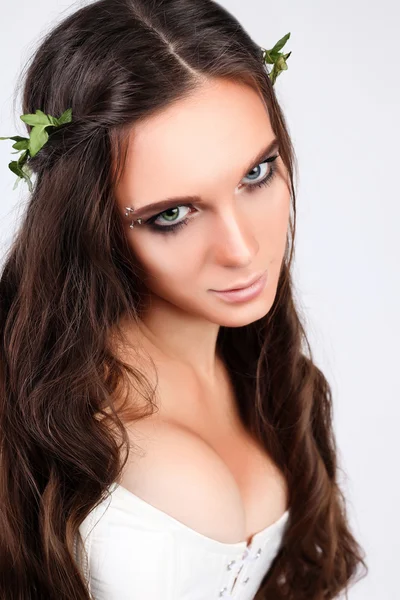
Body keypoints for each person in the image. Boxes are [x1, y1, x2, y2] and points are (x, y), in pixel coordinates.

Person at [0, 0, 367, 598]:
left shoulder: (264, 374)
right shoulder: (29, 416)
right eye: (172, 214)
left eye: (256, 174)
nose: (242, 248)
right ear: (89, 223)